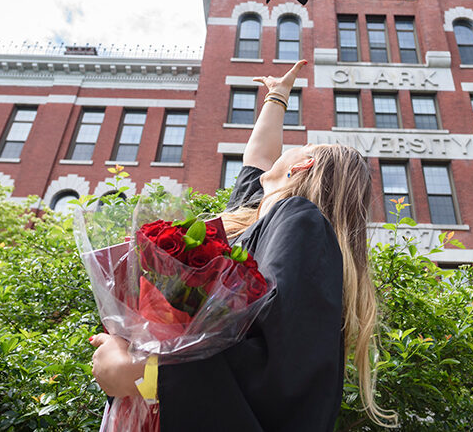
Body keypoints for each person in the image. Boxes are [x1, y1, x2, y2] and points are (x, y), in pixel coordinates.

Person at [91, 60, 396, 431]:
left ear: (303, 166)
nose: (287, 150)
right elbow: (258, 160)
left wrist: (144, 374)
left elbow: (282, 365)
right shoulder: (255, 218)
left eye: (301, 146)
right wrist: (276, 98)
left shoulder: (299, 219)